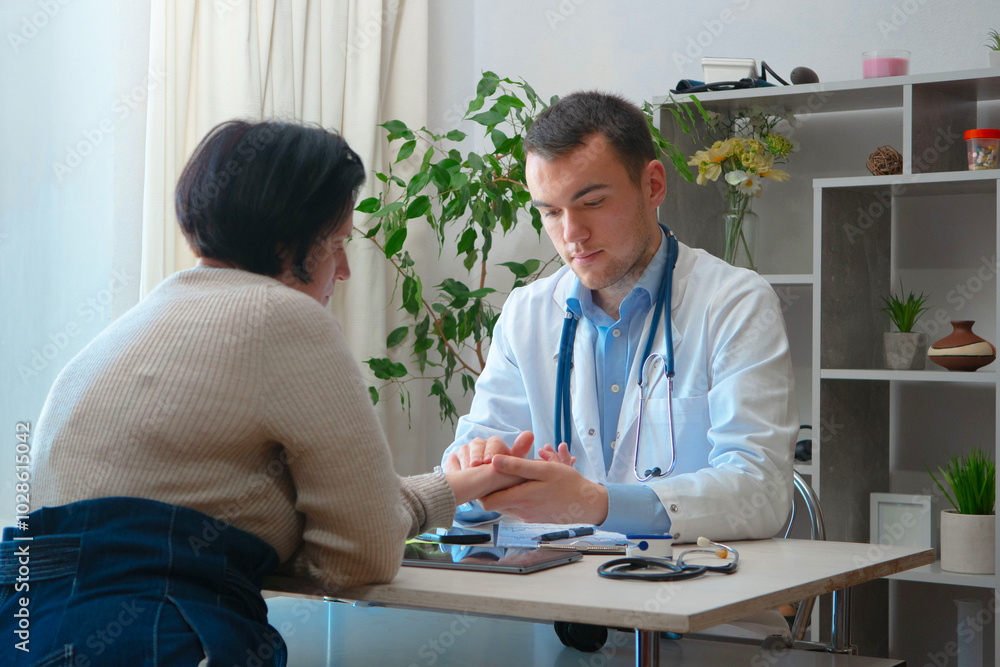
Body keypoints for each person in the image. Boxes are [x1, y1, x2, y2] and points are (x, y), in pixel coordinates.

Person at [0, 120, 528, 666]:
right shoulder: (284, 316)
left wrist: (452, 486)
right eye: (339, 242)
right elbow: (360, 557)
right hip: (163, 637)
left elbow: (209, 507)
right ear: (287, 240)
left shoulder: (127, 330)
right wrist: (415, 504)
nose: (344, 270)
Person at [443, 91, 798, 544]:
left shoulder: (734, 303)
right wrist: (482, 472)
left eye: (591, 202)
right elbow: (470, 475)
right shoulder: (526, 314)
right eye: (551, 212)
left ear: (652, 186)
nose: (571, 235)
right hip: (560, 598)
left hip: (699, 599)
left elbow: (759, 491)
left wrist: (595, 502)